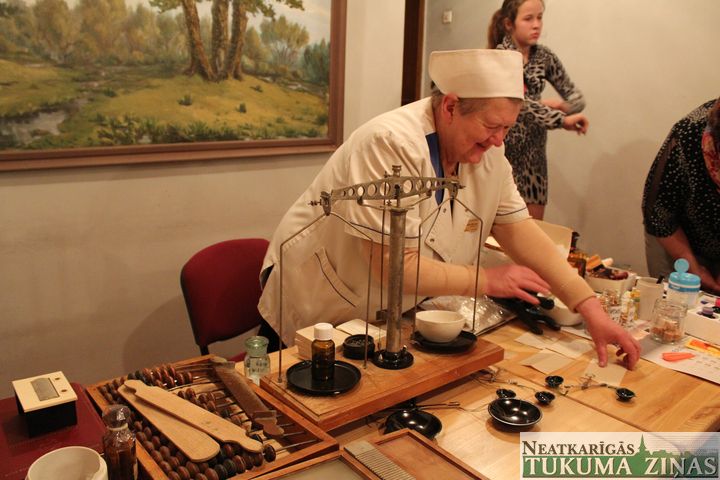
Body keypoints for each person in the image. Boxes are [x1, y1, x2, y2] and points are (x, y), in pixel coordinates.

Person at [258, 49, 640, 369]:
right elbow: (392, 264)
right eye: (492, 126)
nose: (499, 141)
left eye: (508, 128)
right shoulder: (389, 143)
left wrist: (589, 307)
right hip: (320, 296)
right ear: (451, 106)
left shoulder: (489, 150)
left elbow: (518, 229)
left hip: (384, 312)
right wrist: (487, 280)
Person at [488, 0, 589, 220]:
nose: (536, 25)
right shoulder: (501, 56)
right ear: (509, 24)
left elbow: (577, 98)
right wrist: (560, 119)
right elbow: (517, 102)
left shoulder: (544, 56)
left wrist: (559, 107)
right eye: (528, 19)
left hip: (535, 156)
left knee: (533, 227)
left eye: (539, 17)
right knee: (498, 227)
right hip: (503, 150)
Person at [642, 98, 720, 294]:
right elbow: (658, 213)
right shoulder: (688, 133)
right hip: (677, 236)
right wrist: (693, 268)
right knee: (670, 305)